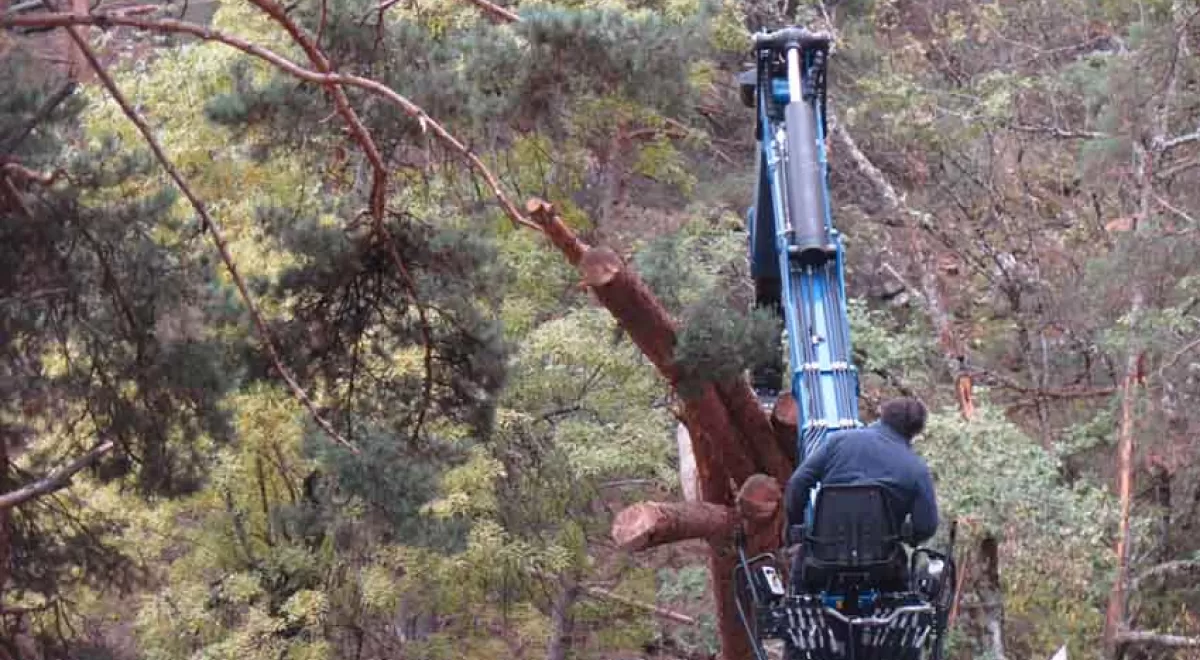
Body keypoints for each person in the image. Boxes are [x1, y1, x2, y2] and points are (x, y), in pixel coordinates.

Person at [784, 397, 940, 589]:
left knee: (799, 580)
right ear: (915, 432)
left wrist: (796, 525)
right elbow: (926, 526)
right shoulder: (916, 468)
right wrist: (904, 532)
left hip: (820, 564)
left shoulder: (838, 442)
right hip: (884, 572)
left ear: (883, 416)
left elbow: (798, 483)